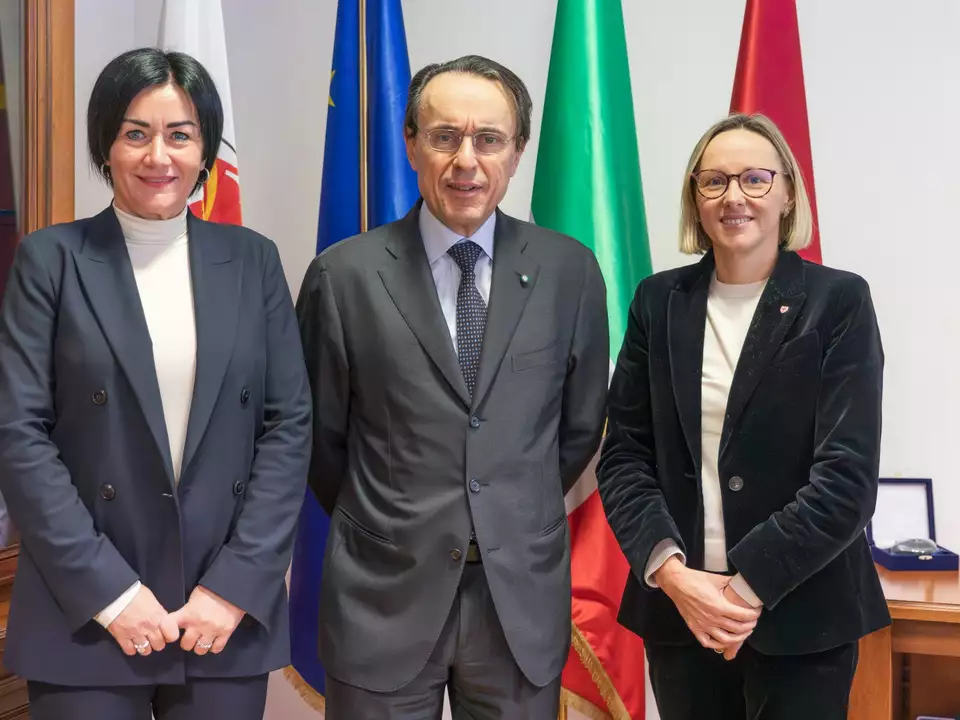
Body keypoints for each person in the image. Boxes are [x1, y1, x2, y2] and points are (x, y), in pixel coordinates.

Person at [0, 48, 311, 720]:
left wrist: (235, 586)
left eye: (180, 134)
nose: (158, 156)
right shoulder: (50, 259)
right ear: (105, 144)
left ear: (205, 149)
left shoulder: (253, 261)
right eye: (135, 133)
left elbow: (288, 428)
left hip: (218, 612)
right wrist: (110, 594)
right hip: (84, 610)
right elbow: (19, 434)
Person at [296, 55, 609, 718]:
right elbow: (320, 442)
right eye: (445, 137)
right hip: (382, 596)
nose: (467, 160)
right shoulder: (343, 277)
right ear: (411, 144)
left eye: (489, 139)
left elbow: (578, 429)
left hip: (515, 604)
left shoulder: (570, 273)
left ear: (517, 152)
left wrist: (502, 507)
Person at [597, 113, 890, 720]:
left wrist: (741, 589)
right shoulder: (658, 301)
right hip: (681, 614)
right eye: (714, 181)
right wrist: (673, 575)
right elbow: (624, 456)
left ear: (788, 193)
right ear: (695, 199)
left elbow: (846, 478)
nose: (734, 196)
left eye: (755, 179)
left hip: (802, 617)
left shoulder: (839, 300)